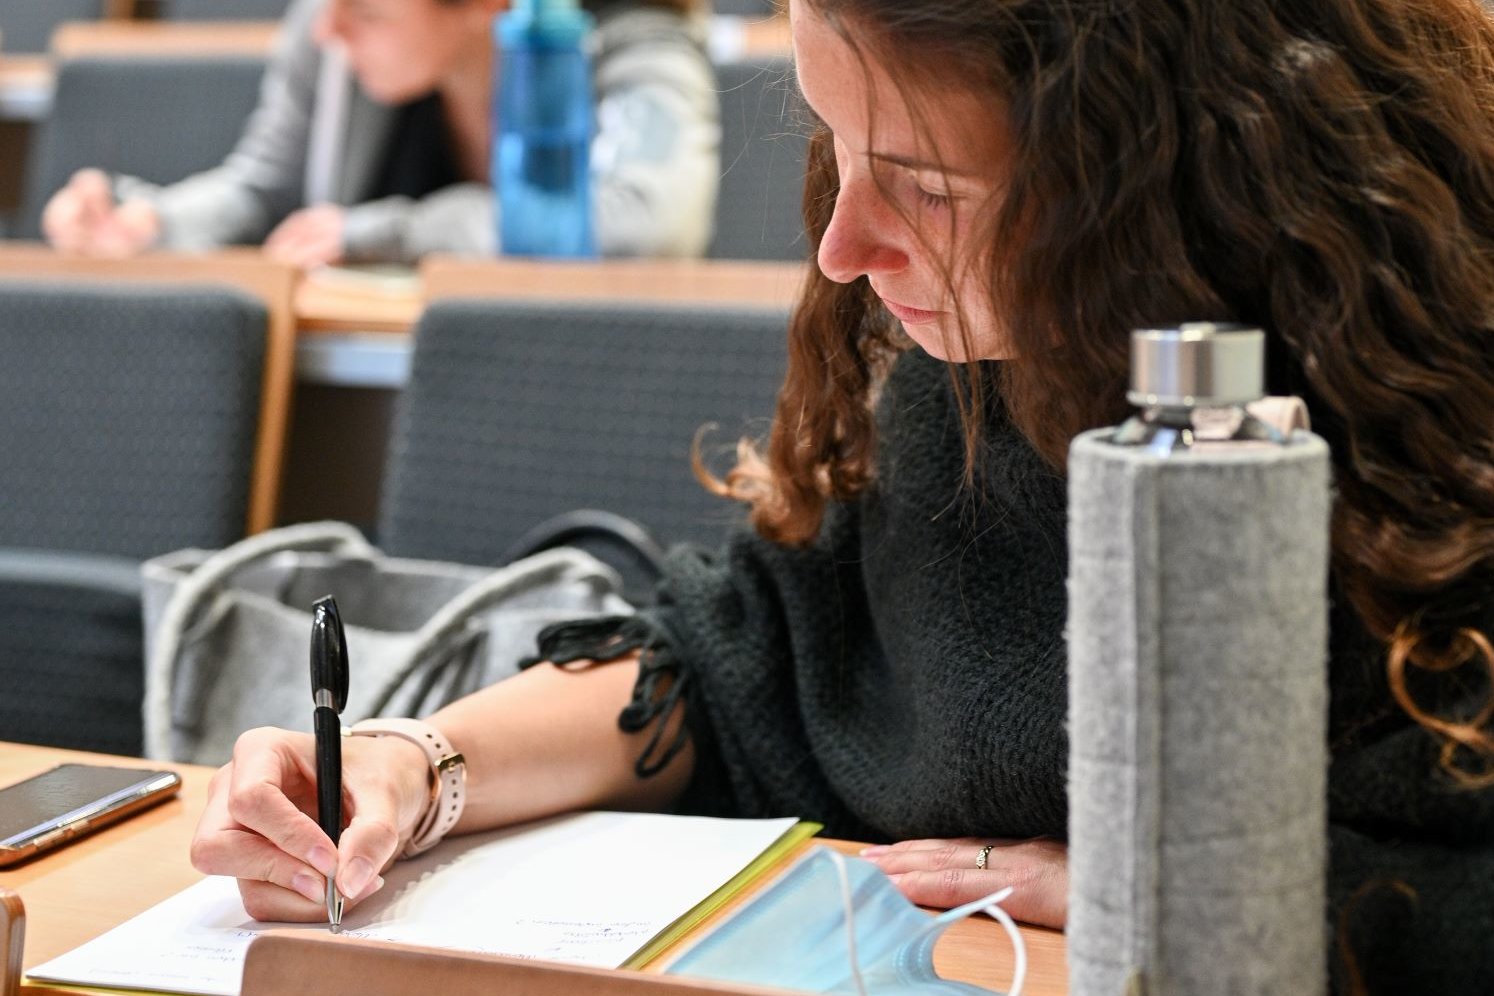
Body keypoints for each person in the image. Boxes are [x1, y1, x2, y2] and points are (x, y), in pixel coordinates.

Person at [190, 0, 1494, 990]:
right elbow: (745, 654)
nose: (840, 247)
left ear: (1173, 184)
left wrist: (1181, 889)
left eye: (928, 188)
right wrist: (416, 765)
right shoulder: (976, 360)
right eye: (834, 145)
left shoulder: (1430, 432)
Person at [40, 0, 718, 265]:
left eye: (367, 12)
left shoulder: (636, 43)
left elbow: (644, 226)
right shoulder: (329, 26)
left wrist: (387, 232)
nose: (326, 30)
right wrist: (150, 222)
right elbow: (265, 193)